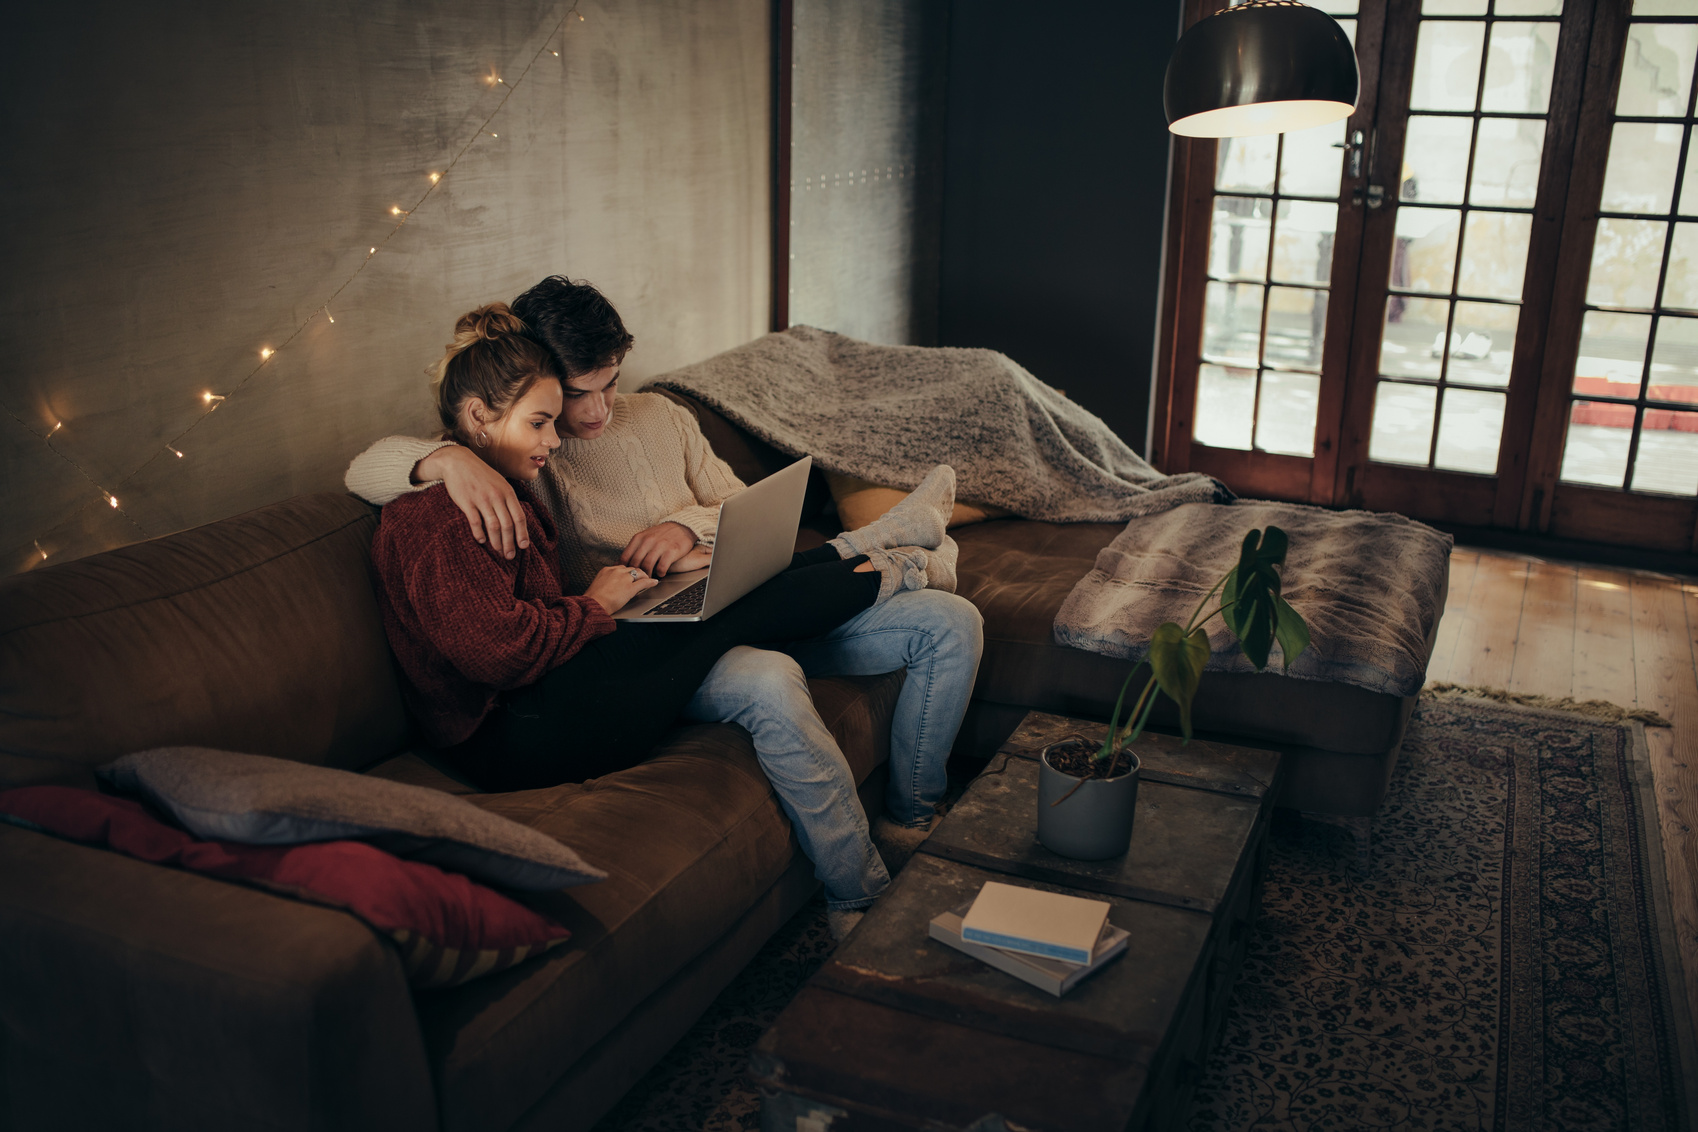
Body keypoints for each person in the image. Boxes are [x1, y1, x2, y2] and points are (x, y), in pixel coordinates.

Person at [363, 301, 975, 936]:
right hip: (539, 703)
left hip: (607, 645)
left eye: (610, 384)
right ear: (491, 415)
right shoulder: (481, 488)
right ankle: (887, 553)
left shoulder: (612, 432)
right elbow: (495, 644)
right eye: (560, 408)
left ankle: (885, 566)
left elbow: (743, 508)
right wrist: (444, 462)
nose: (578, 422)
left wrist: (685, 532)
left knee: (911, 618)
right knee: (733, 618)